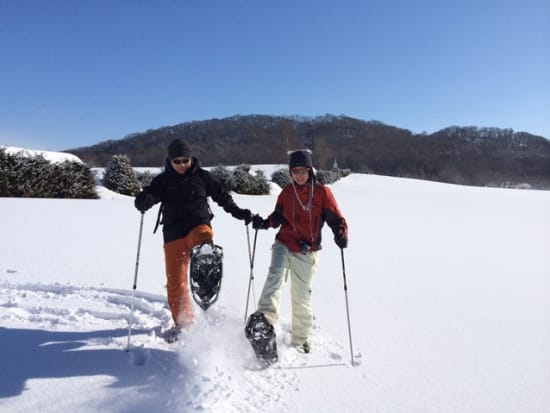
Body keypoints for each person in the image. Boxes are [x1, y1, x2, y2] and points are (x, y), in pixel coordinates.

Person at [134, 138, 252, 335]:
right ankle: (184, 325)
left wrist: (239, 212)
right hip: (173, 233)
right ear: (170, 161)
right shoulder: (163, 181)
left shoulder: (203, 177)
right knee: (175, 282)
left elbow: (222, 196)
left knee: (203, 241)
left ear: (191, 159)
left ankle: (206, 274)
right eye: (177, 161)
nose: (181, 165)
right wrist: (143, 200)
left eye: (185, 160)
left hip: (198, 226)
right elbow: (151, 194)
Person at [250, 149, 348, 353]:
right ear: (290, 172)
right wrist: (265, 223)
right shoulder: (287, 192)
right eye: (295, 171)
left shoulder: (322, 193)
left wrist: (340, 232)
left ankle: (301, 338)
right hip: (284, 243)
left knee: (301, 295)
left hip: (307, 251)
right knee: (274, 278)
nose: (299, 175)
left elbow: (336, 219)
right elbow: (278, 216)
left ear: (310, 170)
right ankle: (264, 323)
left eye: (303, 170)